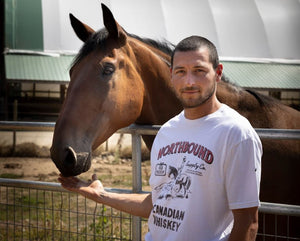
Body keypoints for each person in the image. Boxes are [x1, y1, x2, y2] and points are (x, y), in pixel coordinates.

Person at [58, 35, 262, 241]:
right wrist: (101, 195)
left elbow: (248, 223)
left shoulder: (236, 133)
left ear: (217, 73)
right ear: (172, 75)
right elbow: (157, 203)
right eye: (181, 72)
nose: (189, 81)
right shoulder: (167, 131)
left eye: (199, 71)